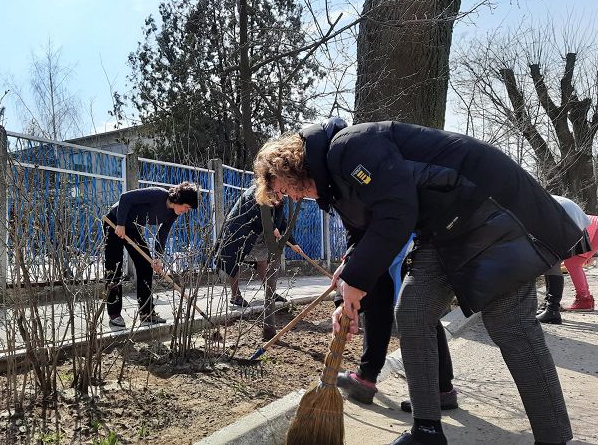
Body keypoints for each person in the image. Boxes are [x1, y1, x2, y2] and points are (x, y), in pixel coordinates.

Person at [253, 119, 583, 445]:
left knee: (510, 323)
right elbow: (363, 232)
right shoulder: (335, 184)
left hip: (486, 209)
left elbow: (397, 211)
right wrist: (347, 287)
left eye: (288, 189)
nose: (294, 198)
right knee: (413, 313)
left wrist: (356, 278)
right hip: (443, 229)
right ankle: (427, 432)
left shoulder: (350, 147)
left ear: (293, 167)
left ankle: (553, 437)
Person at [336, 233, 457, 413]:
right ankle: (366, 377)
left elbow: (369, 223)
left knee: (419, 312)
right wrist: (350, 261)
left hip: (408, 240)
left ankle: (441, 388)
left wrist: (352, 263)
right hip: (392, 241)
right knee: (378, 296)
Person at [103, 183, 199, 327]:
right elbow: (125, 198)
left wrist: (157, 257)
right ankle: (114, 314)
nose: (186, 211)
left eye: (188, 209)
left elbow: (163, 233)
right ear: (179, 199)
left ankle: (146, 312)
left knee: (146, 265)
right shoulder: (158, 194)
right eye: (186, 207)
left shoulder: (173, 213)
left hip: (130, 227)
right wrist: (120, 224)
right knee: (114, 267)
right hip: (114, 221)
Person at [214, 184, 295, 309]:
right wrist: (272, 228)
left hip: (259, 234)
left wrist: (293, 243)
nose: (282, 197)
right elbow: (254, 213)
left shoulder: (279, 199)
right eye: (282, 193)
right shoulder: (256, 192)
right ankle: (235, 296)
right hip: (241, 232)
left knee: (262, 261)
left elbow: (283, 223)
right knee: (235, 261)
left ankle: (270, 293)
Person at [537, 195, 597, 324]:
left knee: (558, 262)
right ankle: (550, 306)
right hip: (578, 221)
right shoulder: (531, 193)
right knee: (559, 262)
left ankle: (556, 308)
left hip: (572, 221)